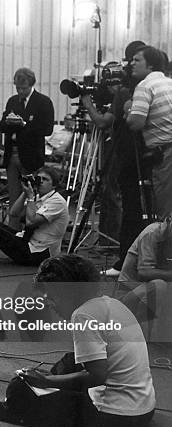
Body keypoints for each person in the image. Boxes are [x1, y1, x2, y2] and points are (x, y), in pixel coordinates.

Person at [0, 254, 156, 427]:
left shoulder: (83, 315)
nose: (48, 302)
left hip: (114, 418)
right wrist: (53, 378)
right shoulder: (111, 303)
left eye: (50, 294)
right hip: (144, 409)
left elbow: (96, 376)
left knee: (19, 388)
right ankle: (47, 387)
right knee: (71, 359)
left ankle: (15, 411)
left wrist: (48, 381)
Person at [81, 41, 148, 277]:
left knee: (121, 200)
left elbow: (103, 122)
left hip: (125, 153)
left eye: (133, 61)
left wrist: (87, 103)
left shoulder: (127, 92)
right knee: (138, 206)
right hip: (145, 154)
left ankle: (122, 255)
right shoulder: (144, 89)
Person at [0, 68, 55, 229]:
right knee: (14, 196)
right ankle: (12, 232)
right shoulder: (12, 101)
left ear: (31, 85)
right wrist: (9, 122)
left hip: (31, 156)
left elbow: (47, 129)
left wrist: (24, 125)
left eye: (23, 88)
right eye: (17, 88)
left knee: (32, 196)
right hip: (12, 155)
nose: (20, 91)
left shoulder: (43, 102)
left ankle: (31, 232)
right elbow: (2, 126)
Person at [126, 45, 172, 219]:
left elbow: (136, 123)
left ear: (151, 65)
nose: (131, 63)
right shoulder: (168, 82)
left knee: (165, 212)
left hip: (166, 154)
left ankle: (165, 245)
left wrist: (128, 110)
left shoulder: (145, 86)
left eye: (137, 60)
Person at [117, 215, 172, 341]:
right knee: (159, 286)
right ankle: (141, 337)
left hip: (148, 292)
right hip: (129, 294)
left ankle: (162, 335)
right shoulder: (152, 233)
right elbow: (144, 273)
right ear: (168, 220)